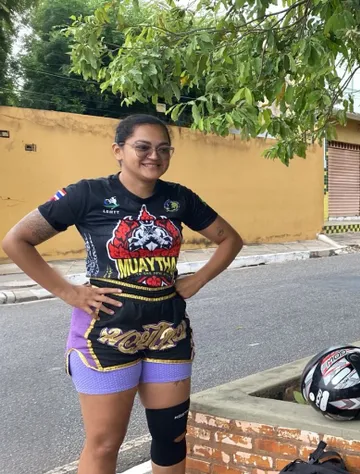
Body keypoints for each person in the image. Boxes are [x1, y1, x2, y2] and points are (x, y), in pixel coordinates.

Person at [1, 114, 243, 474]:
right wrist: (69, 292)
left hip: (168, 331)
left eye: (163, 149)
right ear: (118, 150)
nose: (154, 156)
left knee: (170, 436)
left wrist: (198, 280)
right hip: (105, 335)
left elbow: (230, 240)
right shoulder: (87, 193)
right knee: (104, 444)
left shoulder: (179, 198)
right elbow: (16, 240)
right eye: (142, 147)